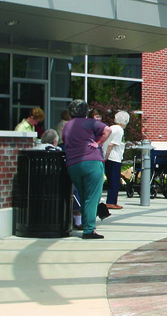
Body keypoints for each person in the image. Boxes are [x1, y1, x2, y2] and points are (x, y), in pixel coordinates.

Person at [62, 100, 112, 239]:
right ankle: (89, 229)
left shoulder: (66, 126)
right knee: (92, 197)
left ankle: (85, 224)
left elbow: (65, 141)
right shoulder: (89, 122)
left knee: (83, 196)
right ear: (85, 111)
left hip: (73, 164)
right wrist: (99, 142)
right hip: (92, 161)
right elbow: (108, 130)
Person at [103, 111, 129, 210]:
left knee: (110, 180)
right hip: (114, 158)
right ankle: (111, 201)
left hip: (108, 157)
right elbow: (111, 144)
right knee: (114, 181)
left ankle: (111, 200)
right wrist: (107, 156)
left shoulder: (111, 128)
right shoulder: (119, 130)